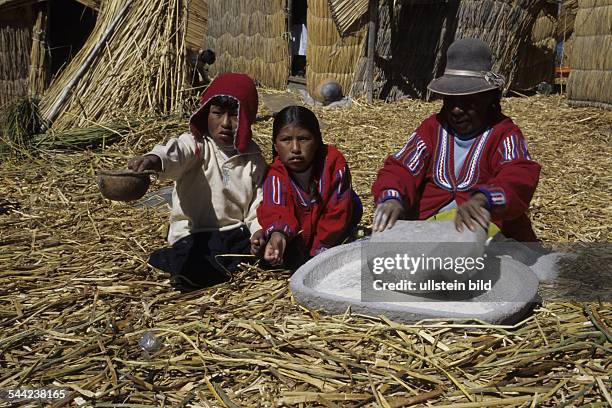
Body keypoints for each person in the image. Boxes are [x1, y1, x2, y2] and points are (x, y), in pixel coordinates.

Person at [371, 38, 541, 242]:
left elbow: (518, 174)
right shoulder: (432, 129)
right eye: (451, 100)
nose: (457, 110)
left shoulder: (504, 134)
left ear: (488, 98)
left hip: (486, 231)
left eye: (468, 102)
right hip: (428, 227)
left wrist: (483, 199)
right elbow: (402, 168)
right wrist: (392, 198)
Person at [128, 73, 266, 290]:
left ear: (248, 117)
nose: (225, 123)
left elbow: (258, 202)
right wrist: (155, 159)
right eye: (217, 113)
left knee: (254, 253)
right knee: (192, 256)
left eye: (235, 115)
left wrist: (258, 230)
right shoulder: (196, 146)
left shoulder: (253, 157)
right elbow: (176, 153)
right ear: (205, 114)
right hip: (194, 232)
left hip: (235, 231)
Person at [254, 105, 362, 268]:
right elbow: (275, 209)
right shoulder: (275, 174)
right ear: (276, 145)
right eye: (286, 140)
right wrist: (279, 234)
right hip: (298, 233)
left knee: (353, 204)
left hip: (331, 232)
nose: (295, 149)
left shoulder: (332, 163)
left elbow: (338, 211)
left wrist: (319, 252)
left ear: (317, 141)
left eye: (303, 139)